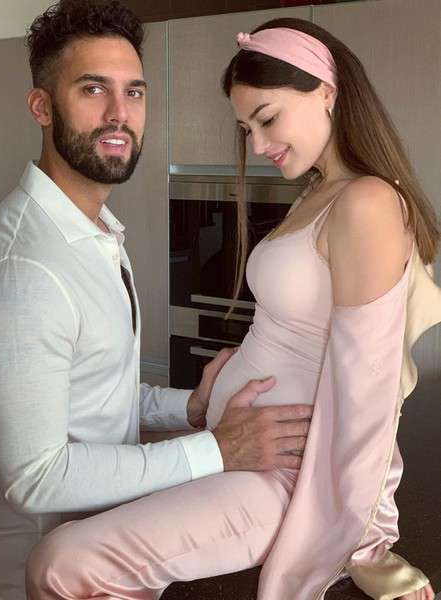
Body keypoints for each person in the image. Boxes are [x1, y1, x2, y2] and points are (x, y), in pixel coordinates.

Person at [25, 15, 441, 600]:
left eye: (267, 119)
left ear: (327, 92)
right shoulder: (317, 193)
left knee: (60, 563)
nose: (258, 145)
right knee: (75, 535)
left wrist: (366, 540)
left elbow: (368, 391)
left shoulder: (366, 202)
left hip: (286, 477)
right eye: (247, 128)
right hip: (241, 451)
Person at [0, 4, 313, 600]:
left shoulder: (95, 232)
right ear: (41, 107)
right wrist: (216, 450)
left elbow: (94, 398)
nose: (120, 114)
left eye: (135, 92)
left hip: (98, 558)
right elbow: (35, 477)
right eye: (93, 89)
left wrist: (190, 409)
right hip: (24, 582)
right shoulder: (23, 268)